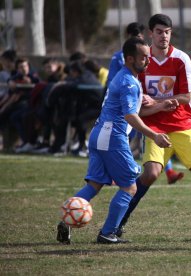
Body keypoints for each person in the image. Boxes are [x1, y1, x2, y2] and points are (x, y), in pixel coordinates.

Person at [117, 14, 191, 242]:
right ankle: (118, 223)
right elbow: (134, 94)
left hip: (183, 123)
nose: (163, 36)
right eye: (159, 31)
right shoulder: (142, 59)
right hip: (155, 125)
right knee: (150, 174)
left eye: (167, 32)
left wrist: (157, 102)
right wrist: (146, 101)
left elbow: (186, 97)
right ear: (151, 33)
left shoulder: (181, 59)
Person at [56, 37, 176, 244]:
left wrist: (160, 106)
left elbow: (132, 111)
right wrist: (154, 135)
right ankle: (107, 233)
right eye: (144, 57)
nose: (148, 61)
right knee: (130, 187)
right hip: (112, 136)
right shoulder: (129, 82)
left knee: (94, 184)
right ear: (130, 59)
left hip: (99, 134)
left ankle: (66, 221)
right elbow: (130, 116)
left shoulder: (125, 77)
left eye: (149, 56)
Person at [108, 21, 183, 184]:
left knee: (152, 135)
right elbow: (113, 81)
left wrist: (156, 101)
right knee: (127, 137)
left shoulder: (147, 55)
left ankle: (168, 170)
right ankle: (118, 173)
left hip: (141, 104)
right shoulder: (119, 60)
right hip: (126, 106)